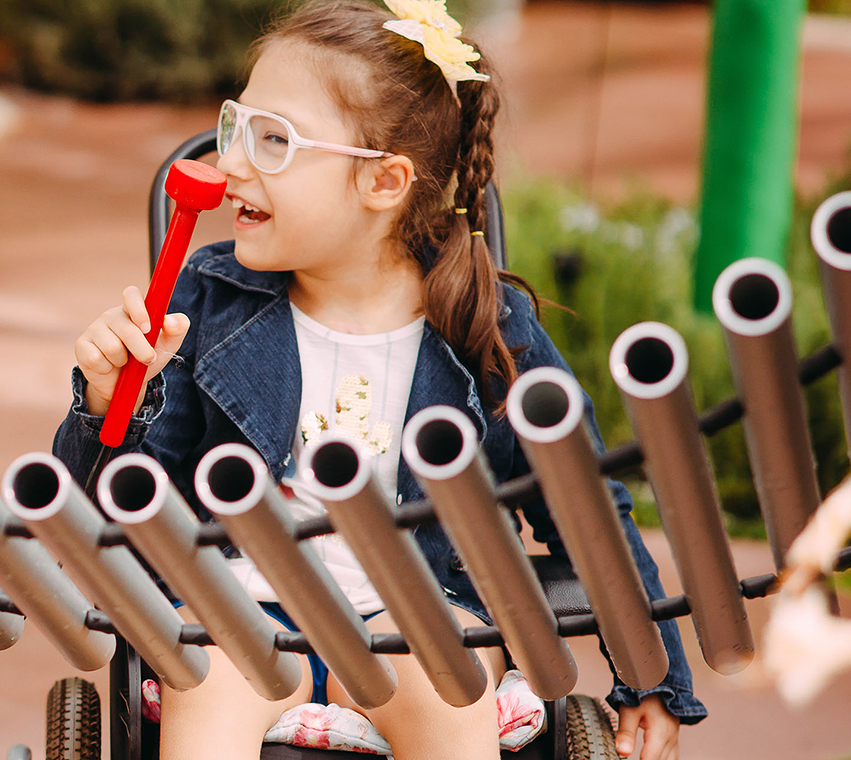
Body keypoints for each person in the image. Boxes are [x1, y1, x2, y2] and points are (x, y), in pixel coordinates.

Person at [53, 1, 706, 758]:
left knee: (441, 672)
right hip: (249, 608)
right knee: (217, 666)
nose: (229, 163)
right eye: (237, 127)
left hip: (426, 610)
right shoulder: (202, 303)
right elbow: (112, 518)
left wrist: (652, 676)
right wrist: (111, 406)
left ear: (385, 181)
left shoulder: (488, 329)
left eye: (273, 141)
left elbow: (584, 502)